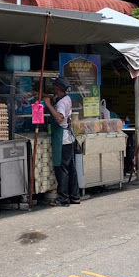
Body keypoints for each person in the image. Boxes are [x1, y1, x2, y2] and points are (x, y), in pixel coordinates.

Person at [43, 76, 80, 206]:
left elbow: (59, 118)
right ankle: (75, 196)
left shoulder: (61, 103)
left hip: (62, 140)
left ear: (58, 88)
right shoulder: (66, 98)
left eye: (54, 86)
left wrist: (48, 104)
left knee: (62, 169)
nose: (53, 87)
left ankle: (63, 199)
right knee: (71, 168)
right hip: (68, 139)